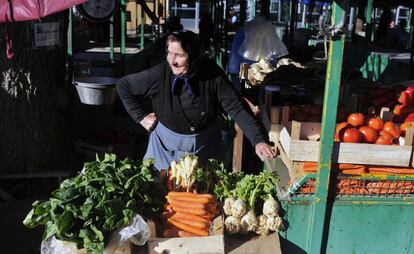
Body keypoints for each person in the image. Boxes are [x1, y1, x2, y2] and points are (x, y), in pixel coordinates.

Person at [117, 30, 275, 170]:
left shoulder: (212, 75)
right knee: (160, 193)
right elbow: (123, 86)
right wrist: (141, 117)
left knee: (202, 194)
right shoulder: (159, 74)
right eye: (169, 53)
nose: (172, 60)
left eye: (179, 55)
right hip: (163, 148)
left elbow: (237, 108)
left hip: (204, 147)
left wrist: (259, 140)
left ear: (193, 57)